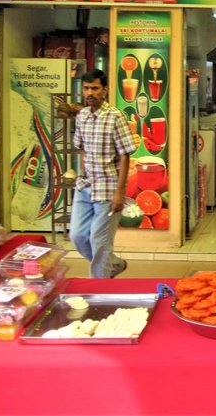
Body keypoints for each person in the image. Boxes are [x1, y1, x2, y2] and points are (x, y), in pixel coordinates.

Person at [70, 69, 137, 278]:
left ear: (104, 90)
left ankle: (97, 287)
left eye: (95, 88)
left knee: (100, 242)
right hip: (86, 186)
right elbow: (81, 148)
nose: (90, 93)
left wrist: (120, 193)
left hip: (108, 189)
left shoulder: (115, 116)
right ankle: (113, 264)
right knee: (78, 236)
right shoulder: (81, 115)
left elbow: (125, 155)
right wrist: (82, 173)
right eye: (87, 88)